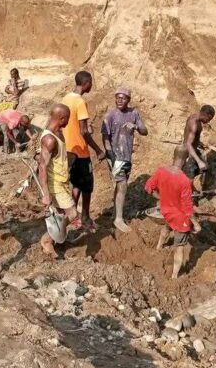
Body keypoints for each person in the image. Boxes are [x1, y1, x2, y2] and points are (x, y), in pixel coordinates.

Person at [145, 146, 201, 279]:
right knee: (180, 247)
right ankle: (175, 276)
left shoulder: (160, 172)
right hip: (180, 218)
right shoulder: (185, 181)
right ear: (186, 160)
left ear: (173, 156)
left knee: (166, 226)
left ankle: (159, 248)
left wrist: (161, 198)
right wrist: (196, 223)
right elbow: (188, 208)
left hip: (165, 211)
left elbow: (148, 188)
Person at [61, 71, 106, 232]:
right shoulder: (80, 102)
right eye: (91, 83)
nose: (92, 86)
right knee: (87, 187)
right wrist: (98, 150)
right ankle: (85, 219)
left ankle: (73, 217)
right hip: (80, 152)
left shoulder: (66, 99)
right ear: (86, 83)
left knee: (76, 184)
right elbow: (84, 132)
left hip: (68, 151)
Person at [101, 86, 148, 233]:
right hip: (116, 156)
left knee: (121, 184)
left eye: (123, 98)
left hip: (126, 156)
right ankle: (118, 219)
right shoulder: (110, 115)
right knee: (122, 185)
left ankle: (116, 214)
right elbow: (105, 138)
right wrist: (112, 157)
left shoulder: (134, 113)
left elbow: (145, 131)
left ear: (128, 100)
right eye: (117, 97)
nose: (119, 100)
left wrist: (135, 126)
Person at [38, 104, 80, 259]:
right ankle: (47, 239)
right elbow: (42, 166)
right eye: (67, 119)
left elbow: (57, 156)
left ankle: (56, 239)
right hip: (54, 183)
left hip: (62, 181)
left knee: (61, 214)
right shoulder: (49, 139)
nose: (68, 122)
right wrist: (45, 194)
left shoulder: (58, 133)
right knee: (73, 213)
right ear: (61, 118)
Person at [182, 105, 216, 182]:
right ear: (205, 115)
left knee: (205, 167)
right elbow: (188, 144)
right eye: (209, 119)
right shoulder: (194, 124)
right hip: (189, 153)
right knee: (188, 178)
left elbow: (191, 136)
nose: (209, 121)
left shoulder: (195, 117)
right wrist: (199, 161)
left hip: (192, 151)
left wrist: (199, 142)